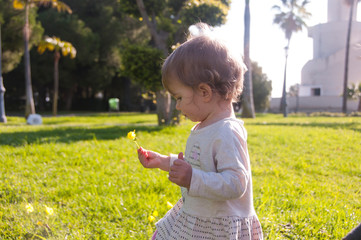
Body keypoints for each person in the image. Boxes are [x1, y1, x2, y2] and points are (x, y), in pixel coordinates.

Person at [138, 23, 263, 240]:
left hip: (218, 225)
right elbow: (199, 163)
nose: (177, 106)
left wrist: (192, 178)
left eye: (179, 97)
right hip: (201, 215)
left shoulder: (226, 131)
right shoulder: (206, 126)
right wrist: (162, 161)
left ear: (204, 92)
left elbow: (236, 183)